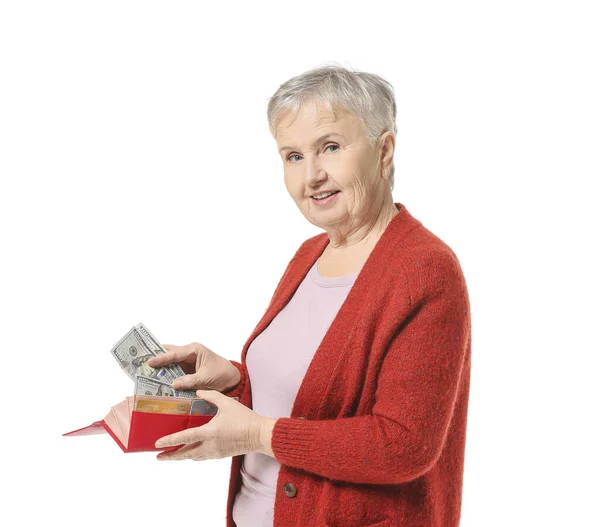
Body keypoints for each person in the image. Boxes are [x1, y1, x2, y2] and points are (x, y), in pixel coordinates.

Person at [147, 64, 472, 527]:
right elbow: (310, 401)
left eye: (331, 148)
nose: (312, 176)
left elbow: (403, 445)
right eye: (293, 156)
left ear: (385, 151)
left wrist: (257, 435)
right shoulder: (309, 254)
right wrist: (234, 381)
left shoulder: (424, 270)